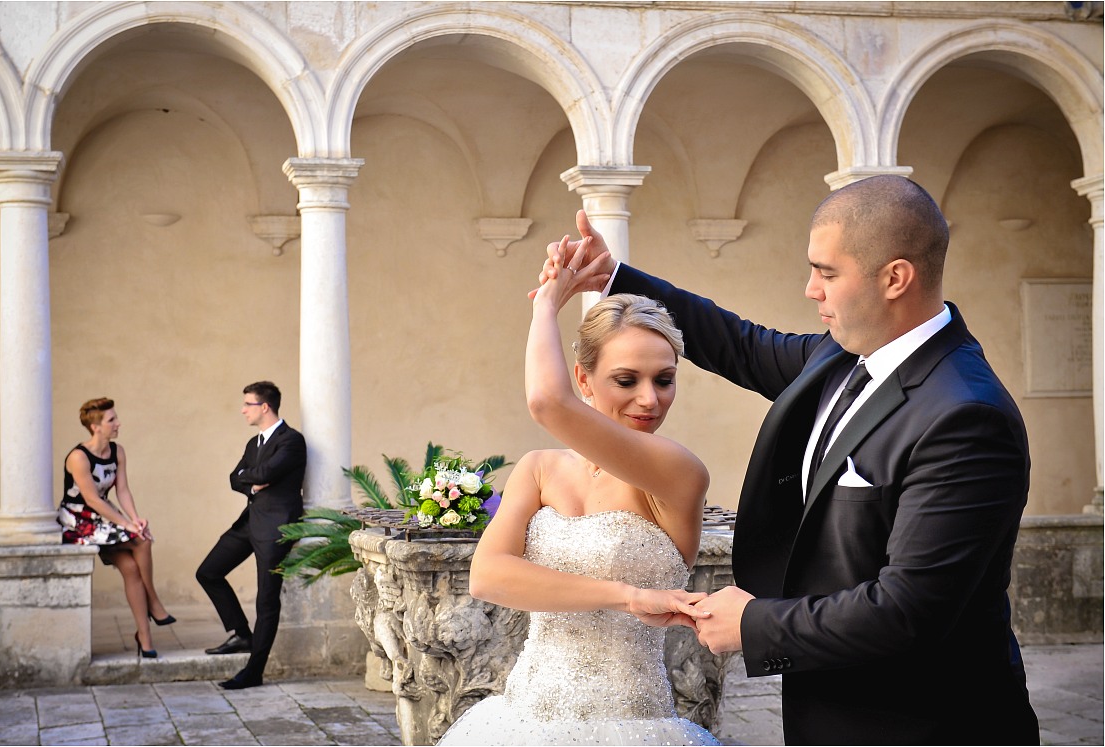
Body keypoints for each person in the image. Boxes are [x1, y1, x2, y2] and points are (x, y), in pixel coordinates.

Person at [541, 175, 1039, 745]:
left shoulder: (967, 416)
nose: (811, 289)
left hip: (922, 723)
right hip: (827, 705)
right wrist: (615, 278)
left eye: (827, 273)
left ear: (895, 278)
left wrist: (754, 624)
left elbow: (910, 609)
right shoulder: (839, 355)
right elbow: (739, 344)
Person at [438, 239, 720, 745]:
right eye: (626, 380)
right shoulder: (539, 469)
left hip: (634, 725)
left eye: (664, 380)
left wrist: (548, 302)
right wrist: (627, 596)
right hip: (523, 717)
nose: (650, 399)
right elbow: (487, 575)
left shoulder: (678, 472)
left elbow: (547, 401)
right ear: (582, 380)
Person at [196, 381, 306, 690]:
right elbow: (235, 478)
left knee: (266, 601)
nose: (243, 410)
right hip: (249, 522)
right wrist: (252, 483)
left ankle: (254, 672)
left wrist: (253, 478)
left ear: (265, 407)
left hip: (276, 527)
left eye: (248, 404)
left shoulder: (291, 440)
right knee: (208, 572)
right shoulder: (253, 444)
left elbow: (265, 473)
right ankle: (242, 634)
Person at [58, 398, 175, 659]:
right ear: (95, 426)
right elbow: (92, 500)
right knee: (142, 540)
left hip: (105, 516)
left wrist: (135, 518)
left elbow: (122, 490)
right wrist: (127, 525)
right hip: (79, 520)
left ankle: (144, 637)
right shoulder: (78, 457)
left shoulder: (117, 451)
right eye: (112, 420)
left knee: (132, 567)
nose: (118, 423)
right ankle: (154, 601)